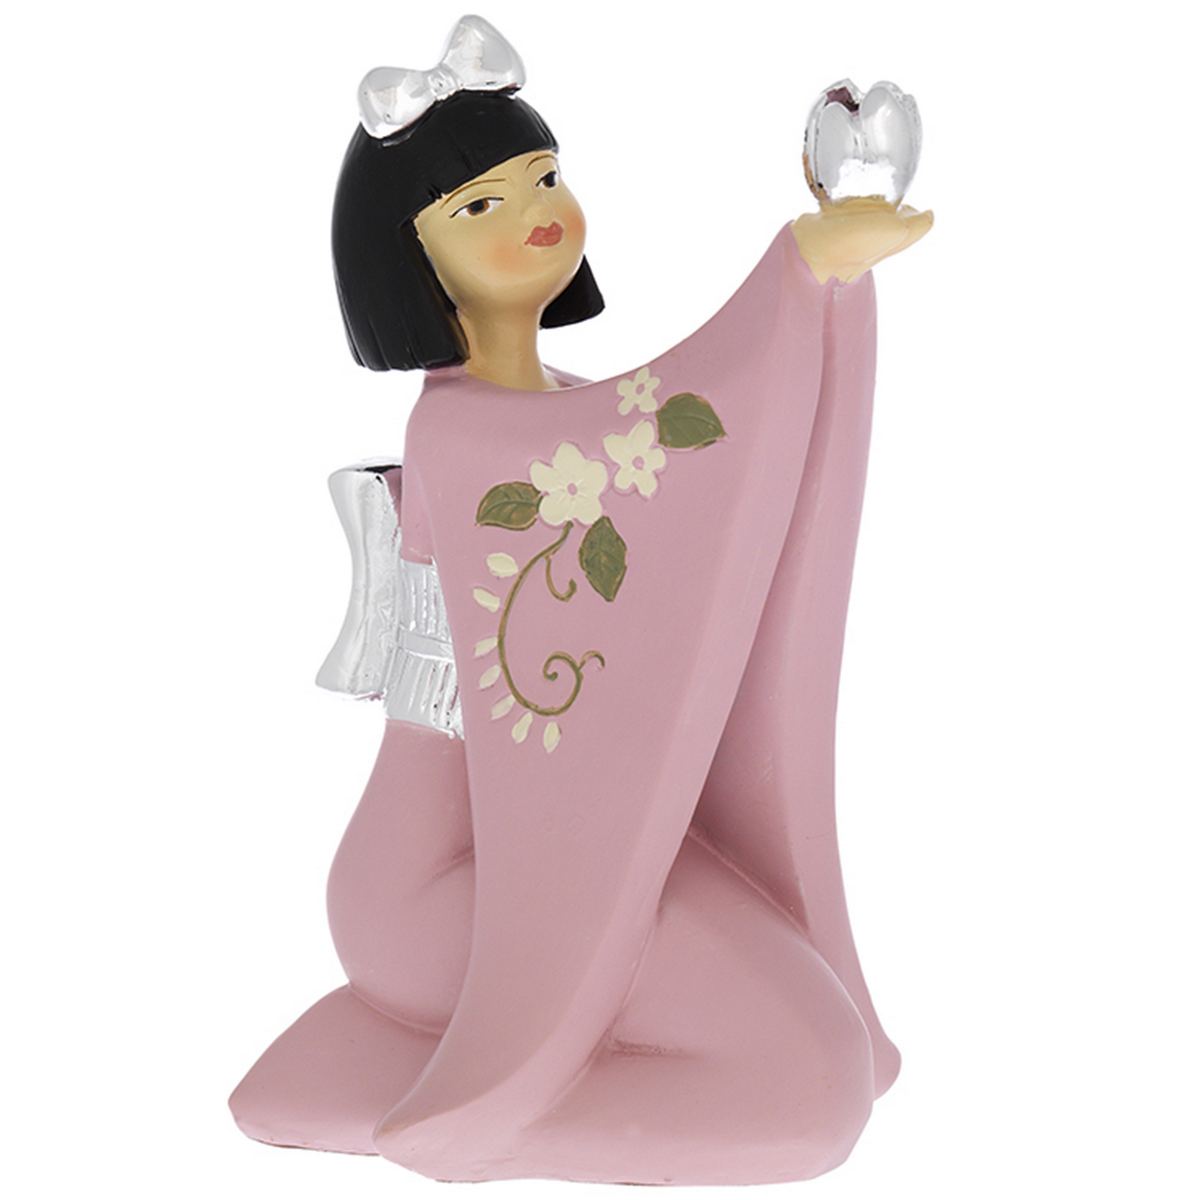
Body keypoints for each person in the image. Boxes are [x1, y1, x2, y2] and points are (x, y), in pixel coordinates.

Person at [229, 14, 932, 1184]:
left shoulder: (561, 402)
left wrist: (827, 297)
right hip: (434, 882)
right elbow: (666, 433)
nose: (534, 211)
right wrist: (801, 271)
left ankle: (460, 1084)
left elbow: (685, 455)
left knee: (829, 1059)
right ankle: (463, 1114)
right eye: (480, 205)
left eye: (544, 177)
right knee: (811, 1094)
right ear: (413, 256)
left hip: (544, 839)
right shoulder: (460, 436)